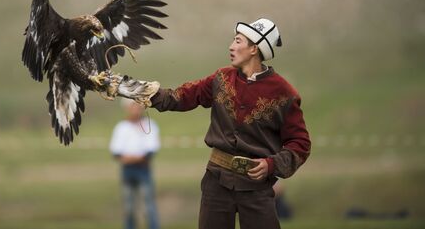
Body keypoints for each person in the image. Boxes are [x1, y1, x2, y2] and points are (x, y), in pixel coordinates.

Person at [147, 18, 311, 229]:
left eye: (237, 41)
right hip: (216, 181)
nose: (231, 46)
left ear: (254, 48)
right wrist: (141, 91)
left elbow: (300, 143)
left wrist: (272, 165)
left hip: (257, 188)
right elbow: (182, 96)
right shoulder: (221, 78)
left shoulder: (284, 93)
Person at [109, 98, 161, 229]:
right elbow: (116, 152)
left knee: (149, 206)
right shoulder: (121, 127)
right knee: (129, 207)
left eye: (138, 106)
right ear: (126, 108)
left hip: (143, 170)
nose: (136, 109)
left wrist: (130, 158)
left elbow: (151, 151)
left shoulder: (149, 125)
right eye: (132, 106)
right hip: (127, 171)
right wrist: (133, 158)